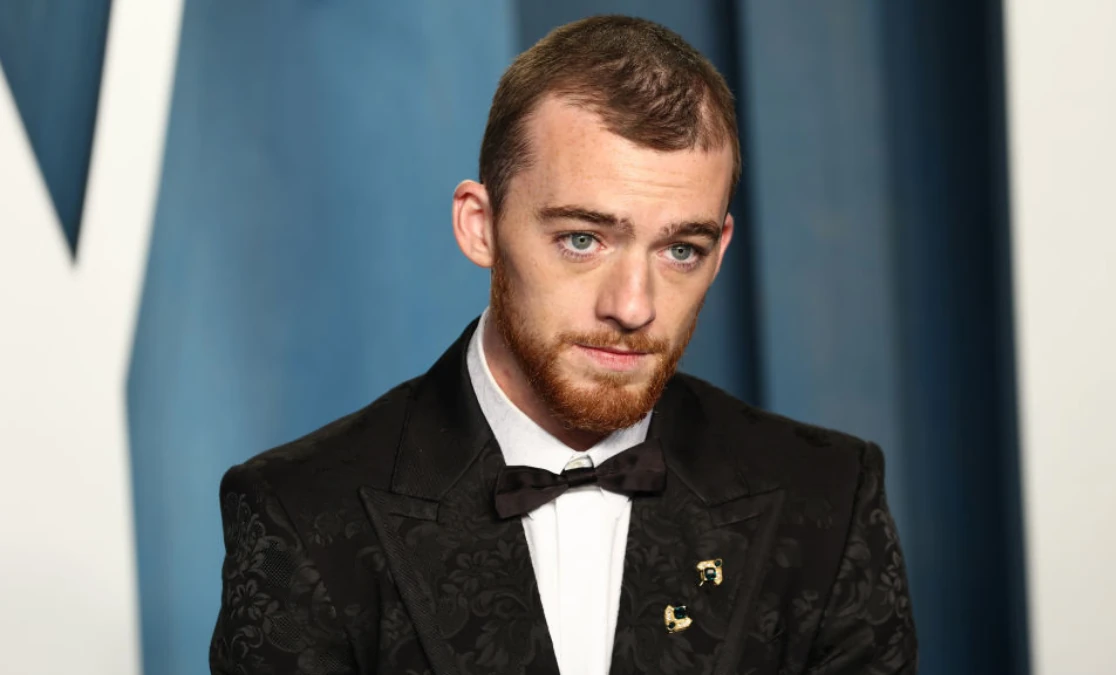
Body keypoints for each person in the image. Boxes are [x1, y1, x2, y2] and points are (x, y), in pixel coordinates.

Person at [210, 15, 916, 675]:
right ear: (480, 226)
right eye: (583, 239)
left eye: (681, 249)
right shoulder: (300, 512)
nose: (633, 307)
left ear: (720, 249)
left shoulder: (828, 497)